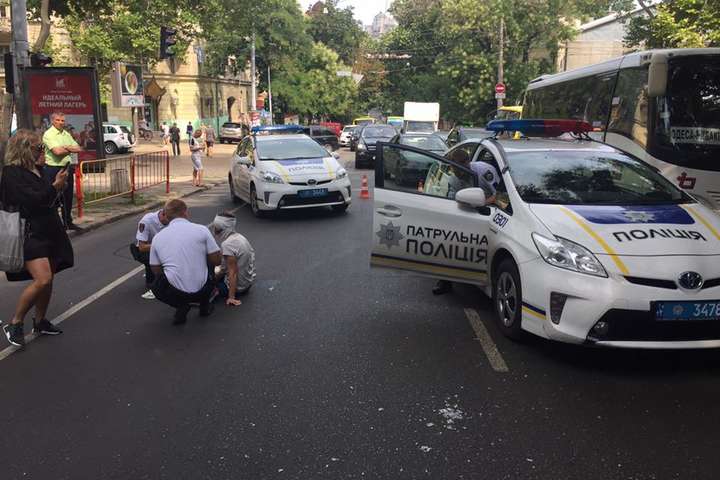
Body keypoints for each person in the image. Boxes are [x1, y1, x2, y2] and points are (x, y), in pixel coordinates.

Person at [0, 130, 74, 347]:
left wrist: (59, 188)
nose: (43, 151)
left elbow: (48, 199)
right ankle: (15, 323)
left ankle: (40, 321)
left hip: (49, 229)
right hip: (29, 233)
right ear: (24, 149)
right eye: (38, 147)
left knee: (49, 278)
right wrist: (53, 188)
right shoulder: (12, 174)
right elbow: (32, 201)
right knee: (43, 279)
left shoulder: (38, 170)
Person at [433, 159, 501, 296]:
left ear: (468, 163)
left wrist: (482, 203)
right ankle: (445, 280)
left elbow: (499, 196)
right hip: (468, 211)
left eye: (460, 168)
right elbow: (453, 201)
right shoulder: (453, 179)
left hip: (491, 211)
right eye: (455, 169)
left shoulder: (484, 170)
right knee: (449, 242)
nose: (458, 173)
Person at [149, 199, 221, 324]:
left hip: (176, 292)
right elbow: (217, 261)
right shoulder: (202, 230)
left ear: (166, 216)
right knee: (210, 259)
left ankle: (181, 305)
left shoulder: (157, 238)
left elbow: (156, 270)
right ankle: (204, 304)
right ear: (186, 213)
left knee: (156, 285)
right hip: (203, 289)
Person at [42, 112, 84, 230]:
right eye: (58, 120)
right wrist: (69, 148)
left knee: (67, 197)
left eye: (62, 120)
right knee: (53, 197)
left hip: (66, 167)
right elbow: (57, 152)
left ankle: (67, 222)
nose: (60, 123)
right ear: (52, 121)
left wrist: (65, 148)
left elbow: (78, 148)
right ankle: (53, 224)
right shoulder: (48, 134)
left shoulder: (66, 134)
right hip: (53, 168)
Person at [210, 213, 256, 306]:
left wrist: (231, 297)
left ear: (223, 228)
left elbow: (233, 272)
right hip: (247, 284)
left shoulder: (227, 244)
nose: (214, 231)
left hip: (238, 288)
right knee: (218, 273)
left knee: (208, 282)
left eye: (216, 228)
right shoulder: (240, 237)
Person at [130, 209, 169, 299]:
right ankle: (156, 288)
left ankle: (153, 279)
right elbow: (142, 247)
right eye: (169, 219)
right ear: (163, 214)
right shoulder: (147, 221)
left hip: (161, 250)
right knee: (162, 262)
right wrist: (162, 244)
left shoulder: (172, 220)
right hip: (146, 251)